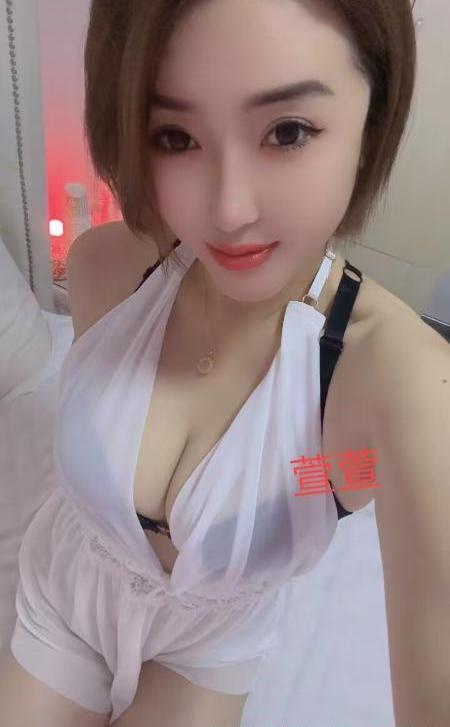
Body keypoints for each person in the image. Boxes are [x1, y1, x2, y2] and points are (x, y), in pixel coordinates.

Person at [3, 1, 449, 726]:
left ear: (372, 123)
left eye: (288, 131)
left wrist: (318, 479)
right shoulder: (106, 269)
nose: (230, 209)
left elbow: (380, 471)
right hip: (67, 585)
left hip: (208, 642)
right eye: (175, 137)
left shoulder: (401, 384)